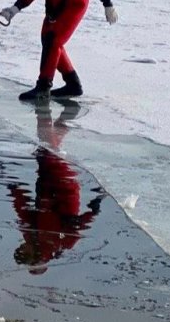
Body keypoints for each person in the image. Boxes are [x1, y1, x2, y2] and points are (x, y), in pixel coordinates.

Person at [9, 101, 104, 273]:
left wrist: (14, 190)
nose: (22, 245)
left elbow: (23, 211)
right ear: (34, 256)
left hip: (45, 185)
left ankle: (62, 120)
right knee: (47, 150)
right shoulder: (60, 242)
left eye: (20, 247)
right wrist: (94, 208)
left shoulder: (31, 236)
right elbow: (79, 226)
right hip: (64, 189)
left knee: (46, 149)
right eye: (23, 250)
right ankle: (56, 114)